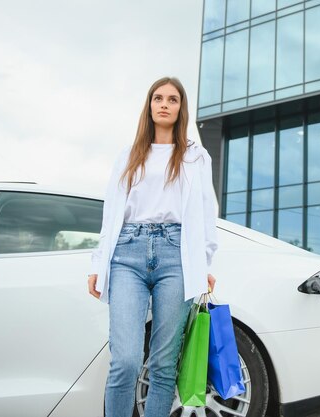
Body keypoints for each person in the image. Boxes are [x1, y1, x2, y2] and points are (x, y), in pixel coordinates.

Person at [87, 76, 218, 417]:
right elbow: (111, 212)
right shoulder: (129, 155)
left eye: (172, 99)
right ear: (149, 106)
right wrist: (98, 263)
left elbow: (207, 213)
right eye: (158, 98)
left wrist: (203, 266)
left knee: (163, 365)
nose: (164, 104)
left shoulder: (194, 156)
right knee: (126, 360)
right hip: (127, 254)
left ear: (180, 108)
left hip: (176, 255)